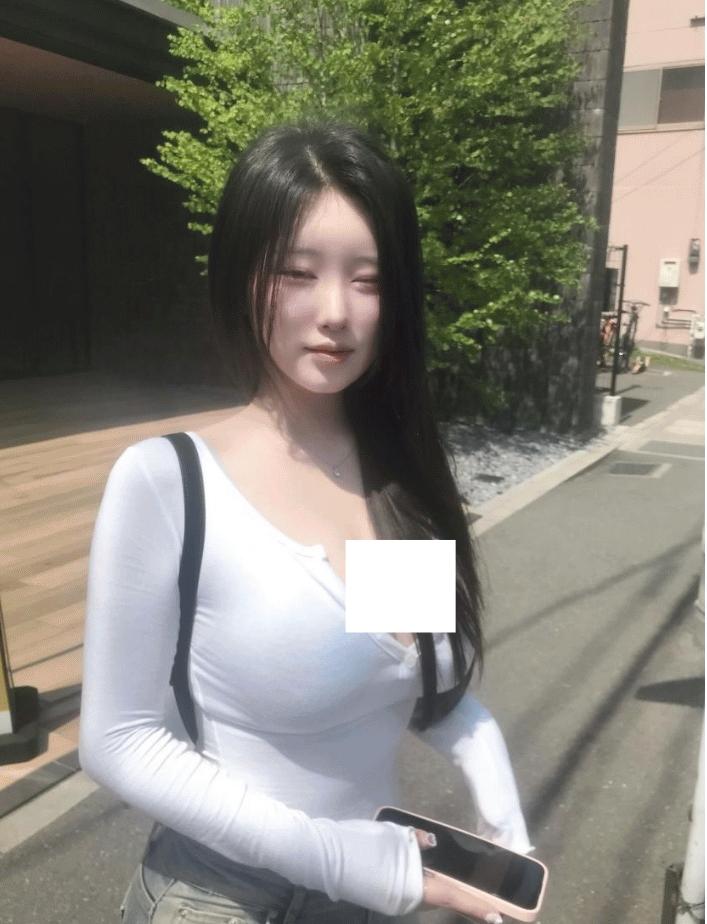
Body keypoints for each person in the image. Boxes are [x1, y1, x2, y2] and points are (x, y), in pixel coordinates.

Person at [78, 119, 532, 924]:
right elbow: (119, 741)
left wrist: (497, 803)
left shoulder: (391, 483)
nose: (334, 312)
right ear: (242, 276)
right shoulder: (171, 483)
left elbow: (408, 680)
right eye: (296, 272)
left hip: (365, 894)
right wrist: (346, 863)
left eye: (368, 279)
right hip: (218, 895)